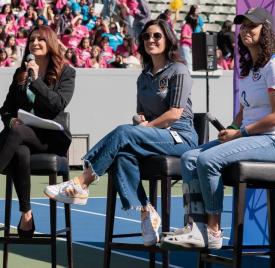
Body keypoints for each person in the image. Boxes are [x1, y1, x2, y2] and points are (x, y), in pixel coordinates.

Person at [44, 19, 198, 246]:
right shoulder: (143, 77)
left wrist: (147, 126)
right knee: (121, 155)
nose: (150, 40)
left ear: (168, 39)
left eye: (156, 36)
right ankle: (146, 212)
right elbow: (140, 115)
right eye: (146, 36)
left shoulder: (179, 70)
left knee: (124, 133)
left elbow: (175, 114)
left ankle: (82, 182)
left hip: (180, 137)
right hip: (155, 136)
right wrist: (140, 120)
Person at [161, 7, 275, 250]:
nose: (245, 30)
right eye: (243, 26)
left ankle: (213, 230)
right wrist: (233, 128)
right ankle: (197, 225)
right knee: (190, 157)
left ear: (265, 30)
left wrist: (241, 133)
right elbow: (245, 110)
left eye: (251, 26)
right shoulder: (251, 68)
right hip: (255, 136)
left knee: (208, 160)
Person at [0, 25, 76, 238]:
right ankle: (26, 215)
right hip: (22, 136)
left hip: (52, 138)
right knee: (20, 149)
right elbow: (6, 109)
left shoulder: (66, 72)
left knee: (18, 134)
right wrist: (10, 119)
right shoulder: (21, 73)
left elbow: (57, 105)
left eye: (40, 39)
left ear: (50, 42)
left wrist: (37, 81)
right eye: (32, 39)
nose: (35, 43)